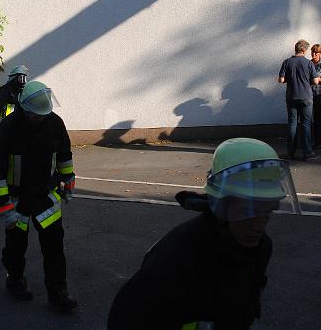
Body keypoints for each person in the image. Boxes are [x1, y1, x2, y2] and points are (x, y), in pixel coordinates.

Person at [107, 138, 301, 330]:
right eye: (247, 212)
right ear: (222, 206)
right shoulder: (176, 257)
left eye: (267, 210)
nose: (258, 225)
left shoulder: (260, 248)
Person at [0, 80, 77, 311]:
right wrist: (5, 209)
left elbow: (64, 155)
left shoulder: (54, 123)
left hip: (45, 196)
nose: (39, 118)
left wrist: (68, 182)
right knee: (15, 246)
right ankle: (15, 280)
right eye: (35, 115)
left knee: (54, 246)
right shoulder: (8, 128)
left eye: (43, 114)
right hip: (17, 199)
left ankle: (58, 292)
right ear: (24, 108)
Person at [278, 40, 320, 160]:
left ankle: (291, 152)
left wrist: (290, 78)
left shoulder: (287, 62)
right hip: (306, 96)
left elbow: (281, 80)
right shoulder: (308, 63)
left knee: (292, 123)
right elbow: (315, 81)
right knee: (306, 124)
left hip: (291, 97)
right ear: (303, 50)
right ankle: (308, 153)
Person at [0, 64, 29, 131]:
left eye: (25, 78)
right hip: (2, 127)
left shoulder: (20, 92)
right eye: (21, 78)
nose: (23, 81)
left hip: (13, 126)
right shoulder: (4, 91)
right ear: (14, 78)